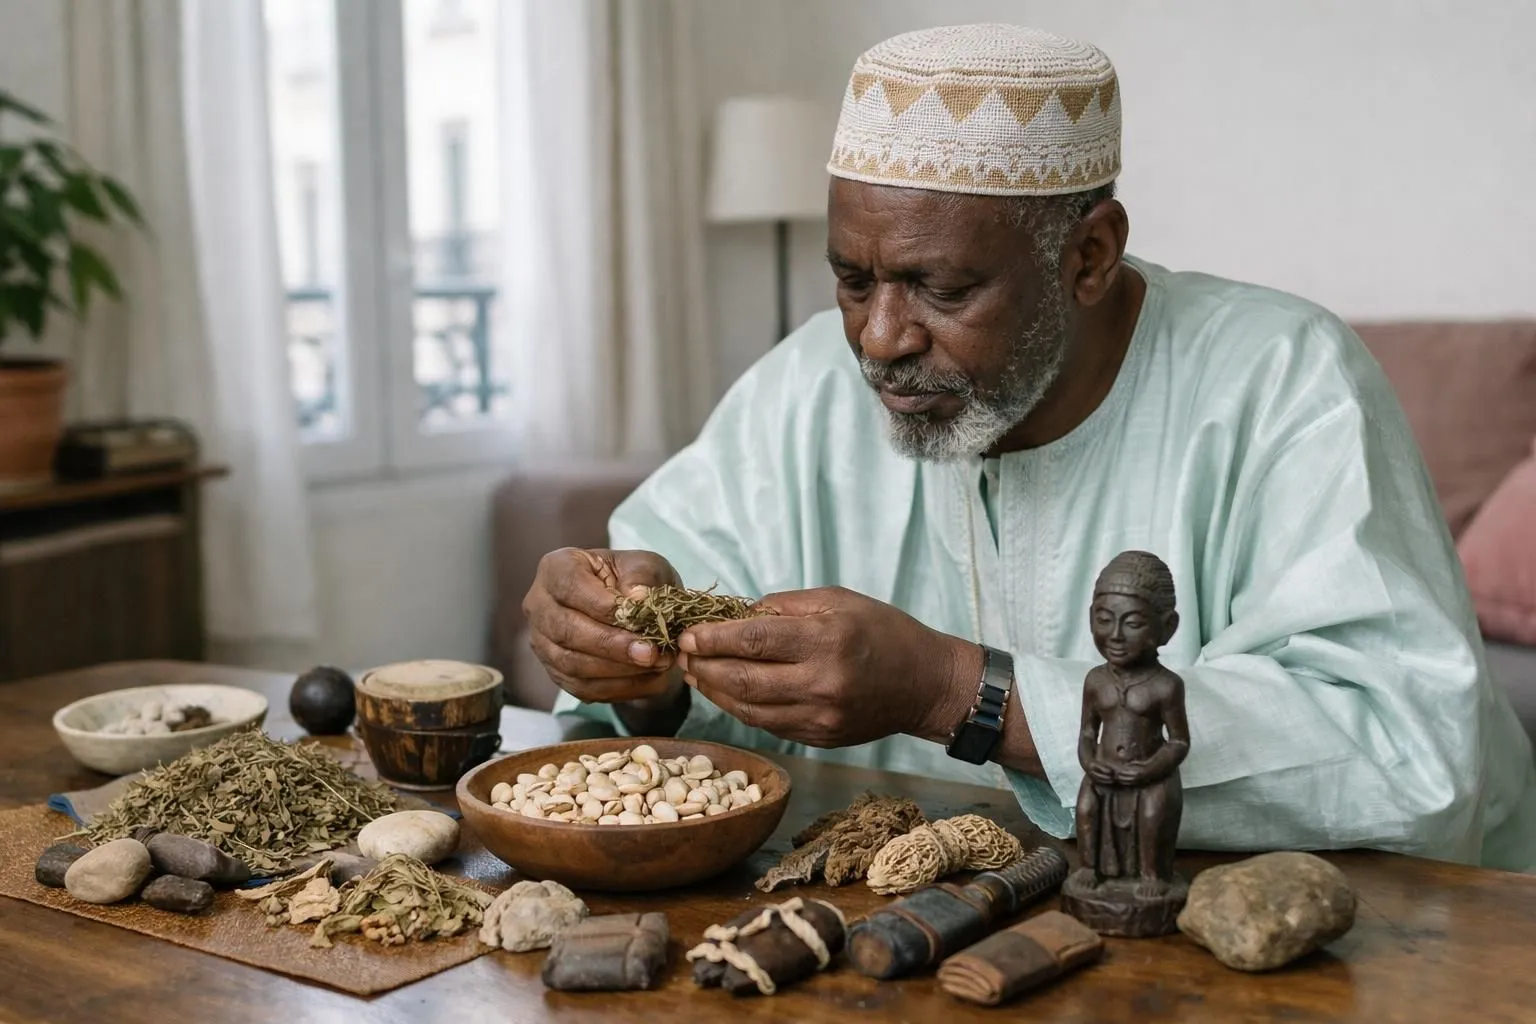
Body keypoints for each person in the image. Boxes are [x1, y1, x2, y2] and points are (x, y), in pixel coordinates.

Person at [522, 24, 1536, 870]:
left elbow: (1409, 754)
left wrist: (955, 691)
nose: (880, 338)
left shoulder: (1287, 381)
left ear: (1087, 255)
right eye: (852, 279)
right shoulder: (803, 389)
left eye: (942, 288)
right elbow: (666, 611)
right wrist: (628, 659)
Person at [1074, 551, 1189, 897]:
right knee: (1085, 806)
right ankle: (1090, 868)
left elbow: (1179, 742)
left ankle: (1152, 875)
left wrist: (1149, 770)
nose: (1116, 635)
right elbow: (1087, 733)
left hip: (1149, 776)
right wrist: (1090, 763)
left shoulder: (1166, 685)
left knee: (1154, 810)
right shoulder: (1096, 681)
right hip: (1105, 773)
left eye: (1134, 623)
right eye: (1104, 619)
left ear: (1166, 627)